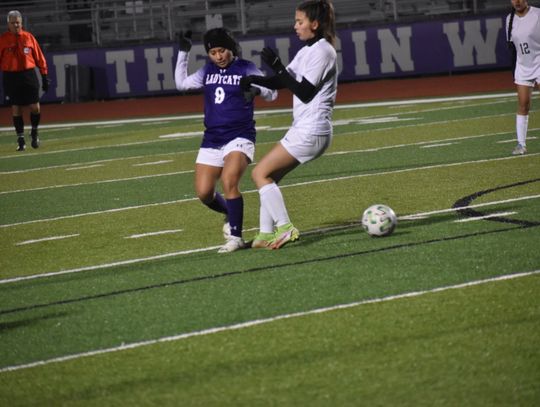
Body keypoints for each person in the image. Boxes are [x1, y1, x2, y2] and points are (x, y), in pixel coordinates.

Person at [241, 0, 337, 249]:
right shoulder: (307, 50)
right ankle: (263, 234)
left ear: (314, 24)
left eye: (300, 21)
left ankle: (284, 227)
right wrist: (253, 81)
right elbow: (282, 81)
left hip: (312, 130)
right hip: (305, 129)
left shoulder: (324, 51)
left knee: (259, 173)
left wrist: (278, 67)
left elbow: (304, 92)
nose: (295, 26)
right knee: (268, 176)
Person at [174, 28, 277, 253]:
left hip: (240, 135)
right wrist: (183, 52)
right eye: (213, 52)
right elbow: (182, 84)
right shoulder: (207, 70)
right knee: (204, 193)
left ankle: (236, 237)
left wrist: (256, 90)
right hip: (212, 137)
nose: (219, 56)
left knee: (229, 181)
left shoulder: (245, 67)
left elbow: (272, 93)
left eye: (222, 51)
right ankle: (230, 212)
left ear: (231, 49)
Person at [0, 10, 50, 151]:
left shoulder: (29, 37)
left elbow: (40, 58)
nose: (16, 25)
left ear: (21, 23)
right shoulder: (2, 40)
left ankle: (34, 131)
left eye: (18, 22)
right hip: (11, 76)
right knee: (16, 108)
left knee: (35, 107)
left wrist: (44, 76)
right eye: (13, 22)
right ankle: (20, 139)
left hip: (28, 75)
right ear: (8, 24)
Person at [506, 0, 540, 155]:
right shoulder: (509, 19)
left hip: (539, 62)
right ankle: (521, 144)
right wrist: (515, 70)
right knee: (523, 104)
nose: (517, 1)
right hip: (523, 65)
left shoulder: (537, 14)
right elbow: (512, 46)